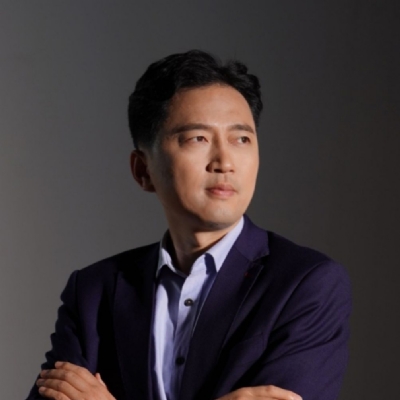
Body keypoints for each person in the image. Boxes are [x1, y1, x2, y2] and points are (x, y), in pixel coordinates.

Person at [27, 50, 351, 400]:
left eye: (241, 139)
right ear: (143, 170)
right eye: (198, 138)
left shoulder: (305, 284)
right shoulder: (94, 291)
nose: (225, 161)